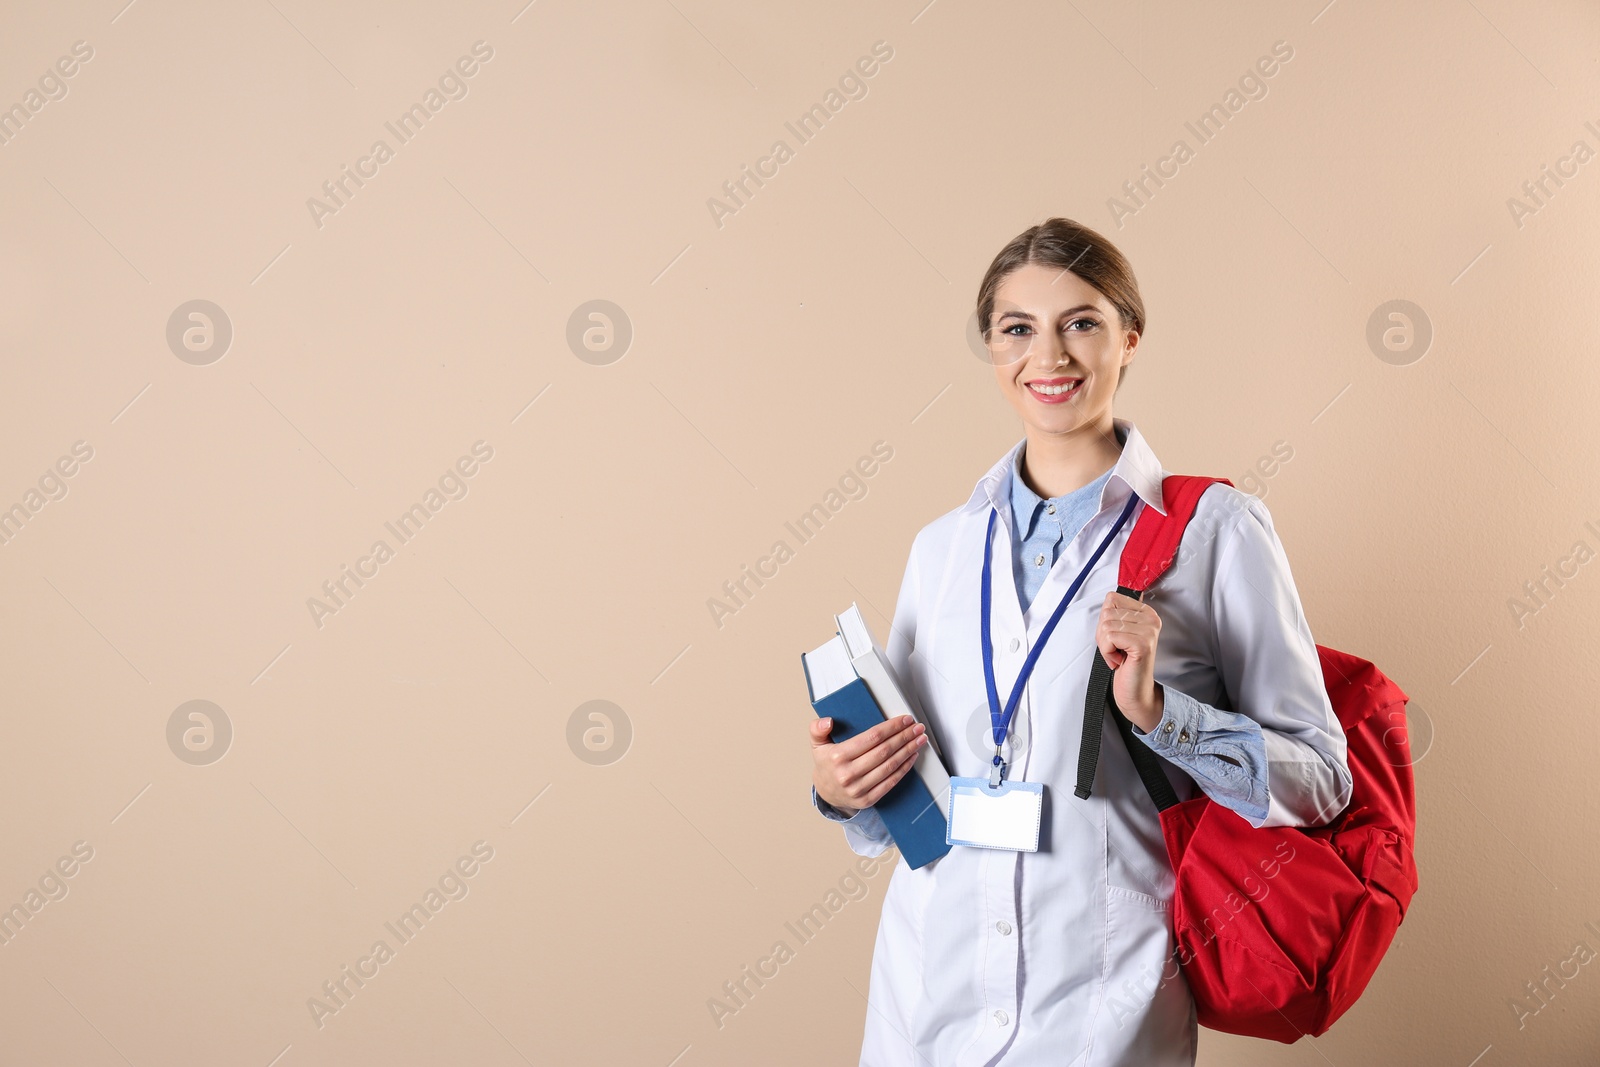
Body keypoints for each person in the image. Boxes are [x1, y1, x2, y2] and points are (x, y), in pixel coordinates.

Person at [807, 217, 1351, 1066]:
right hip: (925, 1000)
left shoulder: (1213, 532)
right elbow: (900, 805)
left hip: (1103, 1004)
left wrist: (1166, 714)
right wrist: (843, 787)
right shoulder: (942, 548)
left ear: (1129, 336)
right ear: (992, 348)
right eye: (1017, 328)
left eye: (1081, 322)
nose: (1049, 356)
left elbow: (1321, 780)